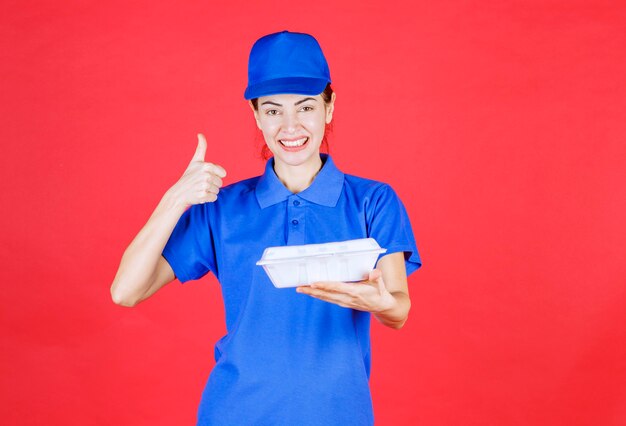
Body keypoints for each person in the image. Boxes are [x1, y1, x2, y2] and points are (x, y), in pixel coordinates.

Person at [111, 30, 421, 426]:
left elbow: (398, 310)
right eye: (273, 111)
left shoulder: (373, 202)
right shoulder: (223, 208)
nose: (290, 126)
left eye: (305, 107)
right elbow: (125, 291)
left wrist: (380, 304)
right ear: (257, 116)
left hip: (340, 414)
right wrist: (175, 199)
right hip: (235, 412)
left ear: (329, 107)